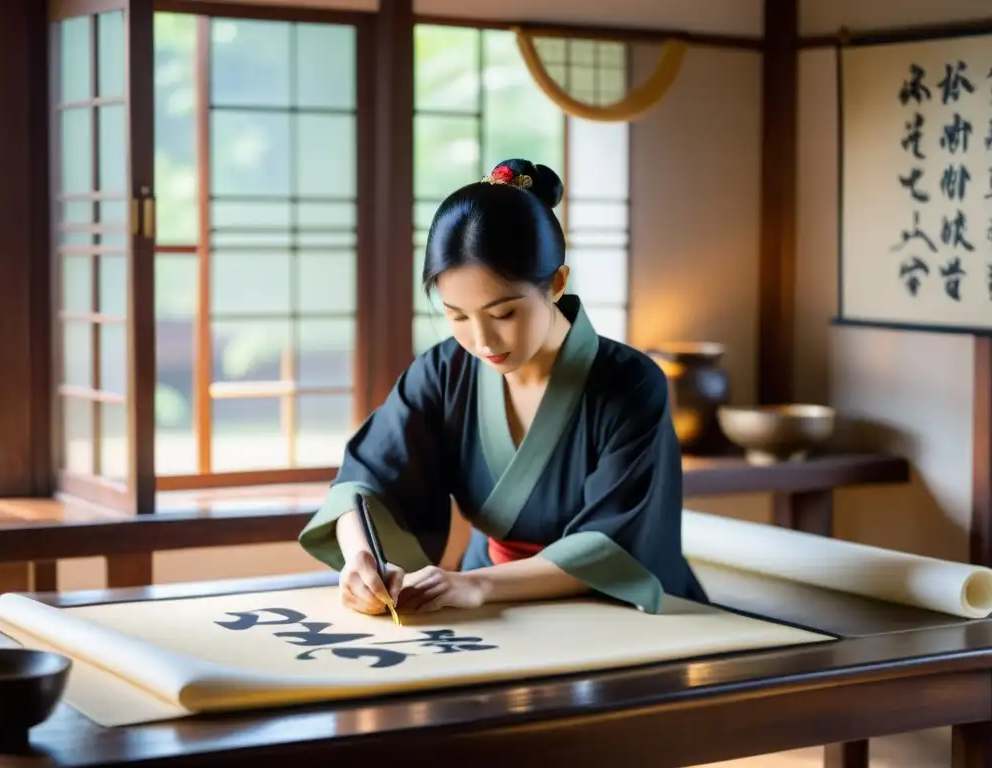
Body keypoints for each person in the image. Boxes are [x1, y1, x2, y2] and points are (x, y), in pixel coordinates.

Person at [298, 158, 707, 616]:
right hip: (486, 599)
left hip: (614, 609)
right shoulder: (442, 373)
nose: (482, 340)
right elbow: (365, 482)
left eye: (504, 314)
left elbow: (618, 545)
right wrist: (361, 560)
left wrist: (479, 586)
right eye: (457, 316)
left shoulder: (630, 383)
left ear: (556, 283)